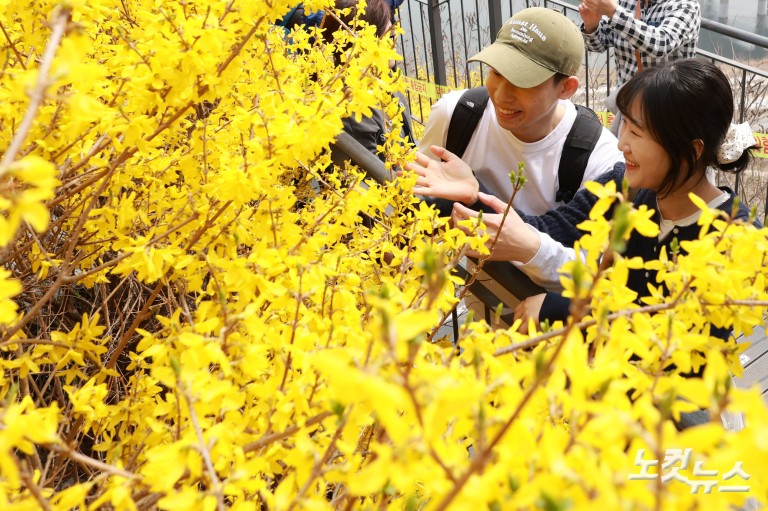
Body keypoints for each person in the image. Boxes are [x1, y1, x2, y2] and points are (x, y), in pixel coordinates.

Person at [513, 59, 758, 343]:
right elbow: (547, 228)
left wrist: (563, 308)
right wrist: (472, 193)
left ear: (691, 152)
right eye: (624, 125)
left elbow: (678, 338)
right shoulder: (624, 188)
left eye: (637, 132)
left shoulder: (737, 239)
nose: (621, 144)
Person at [416, 7, 624, 218]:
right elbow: (411, 202)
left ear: (566, 88)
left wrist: (475, 196)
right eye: (496, 72)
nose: (501, 95)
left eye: (523, 82)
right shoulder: (455, 113)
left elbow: (574, 248)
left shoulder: (598, 159)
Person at [578, 0, 701, 134]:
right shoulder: (626, 3)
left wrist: (614, 12)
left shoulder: (685, 6)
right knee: (623, 152)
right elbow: (599, 43)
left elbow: (661, 44)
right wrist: (591, 25)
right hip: (628, 107)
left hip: (667, 110)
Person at [323, 0, 415, 166]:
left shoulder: (388, 88)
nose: (394, 43)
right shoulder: (351, 112)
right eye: (390, 36)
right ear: (363, 44)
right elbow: (374, 180)